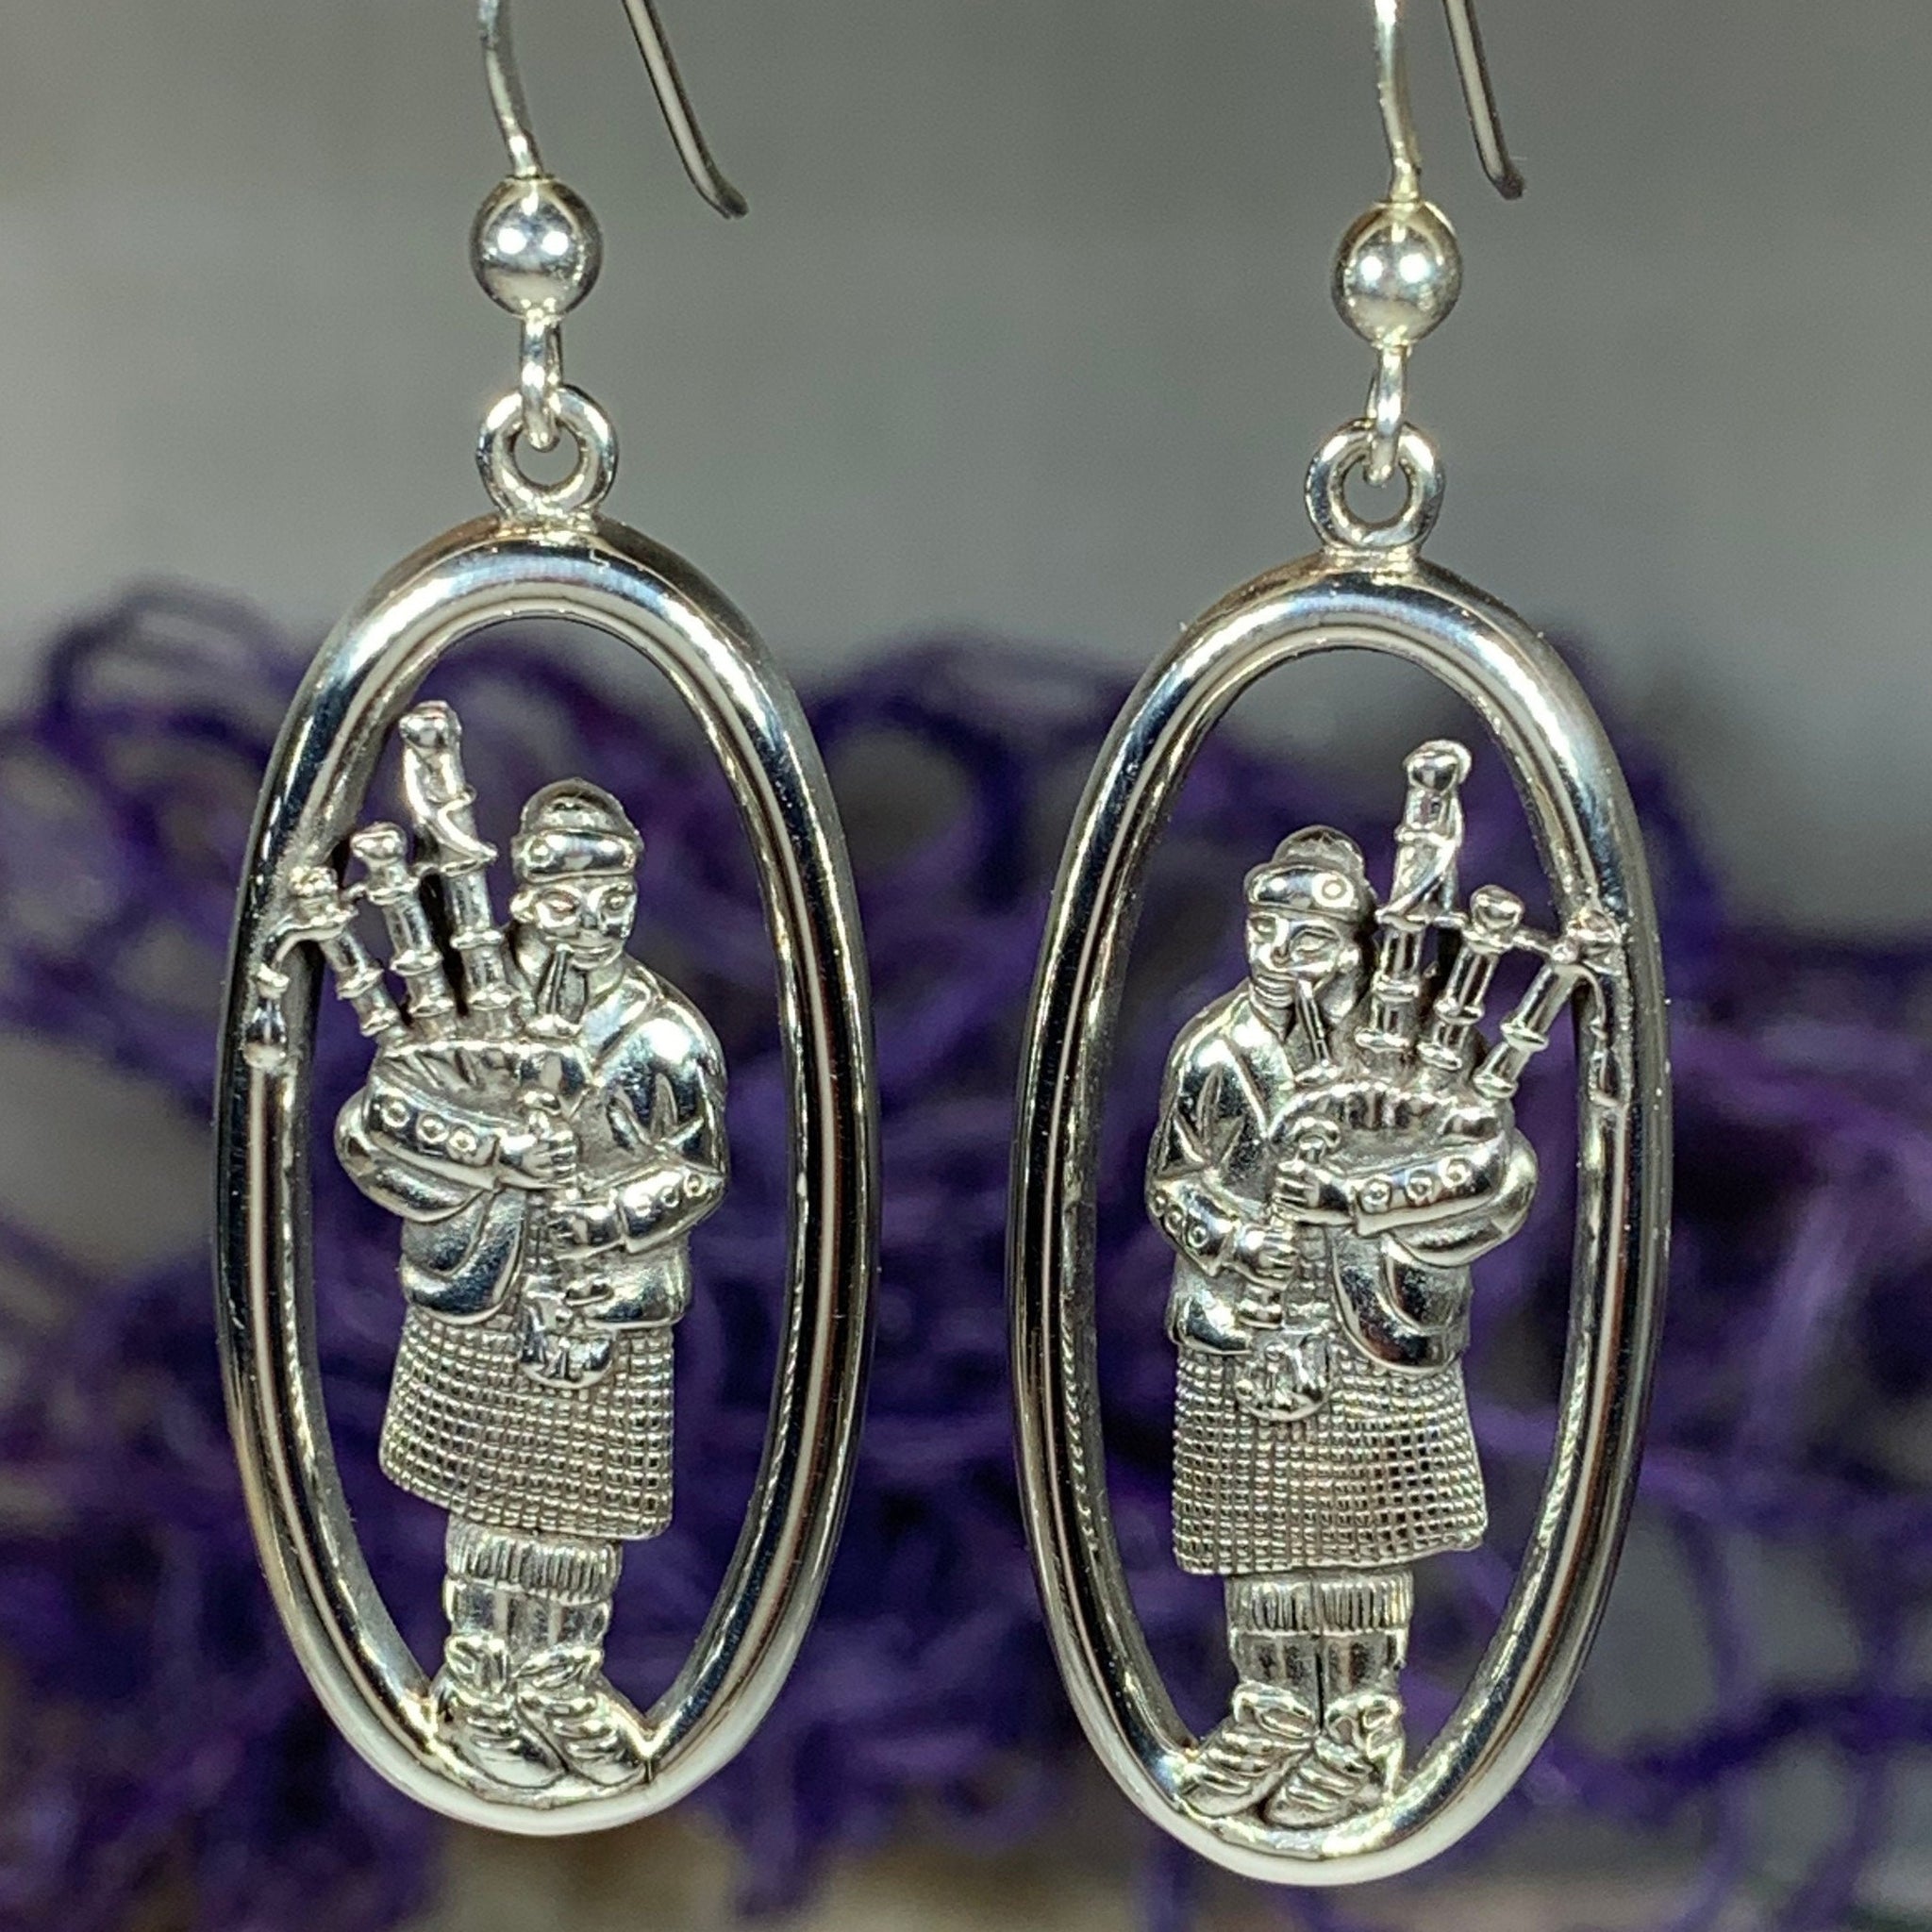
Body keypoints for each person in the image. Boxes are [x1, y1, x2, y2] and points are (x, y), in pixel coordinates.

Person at [336, 777, 726, 1793]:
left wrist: (603, 1219)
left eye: (613, 900)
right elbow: (378, 1129)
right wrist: (492, 1152)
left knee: (579, 1517)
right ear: (520, 895)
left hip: (604, 1305)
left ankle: (561, 1684)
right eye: (566, 898)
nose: (592, 921)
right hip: (483, 1291)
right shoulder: (456, 1010)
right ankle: (478, 1683)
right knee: (489, 1506)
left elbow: (694, 1171)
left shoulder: (662, 1037)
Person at [1147, 822, 1536, 1826]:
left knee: (1363, 1537)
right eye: (1264, 932)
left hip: (1374, 1325)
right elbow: (1175, 1181)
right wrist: (1238, 1241)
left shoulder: (1414, 1052)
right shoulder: (1214, 1048)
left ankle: (1359, 1728)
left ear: (1358, 944)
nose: (1281, 955)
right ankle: (1271, 1712)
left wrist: (1360, 1198)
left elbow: (1490, 1171)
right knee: (1260, 1536)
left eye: (1309, 938)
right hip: (1248, 1321)